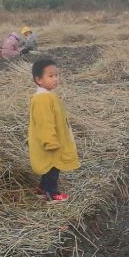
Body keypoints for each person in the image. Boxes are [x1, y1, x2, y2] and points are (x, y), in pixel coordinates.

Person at [28, 57, 79, 203]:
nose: (56, 78)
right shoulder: (42, 99)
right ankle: (52, 194)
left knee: (49, 167)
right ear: (39, 79)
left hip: (54, 139)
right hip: (50, 142)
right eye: (51, 76)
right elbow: (45, 123)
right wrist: (50, 142)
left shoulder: (48, 95)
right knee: (53, 169)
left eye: (56, 75)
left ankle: (42, 188)